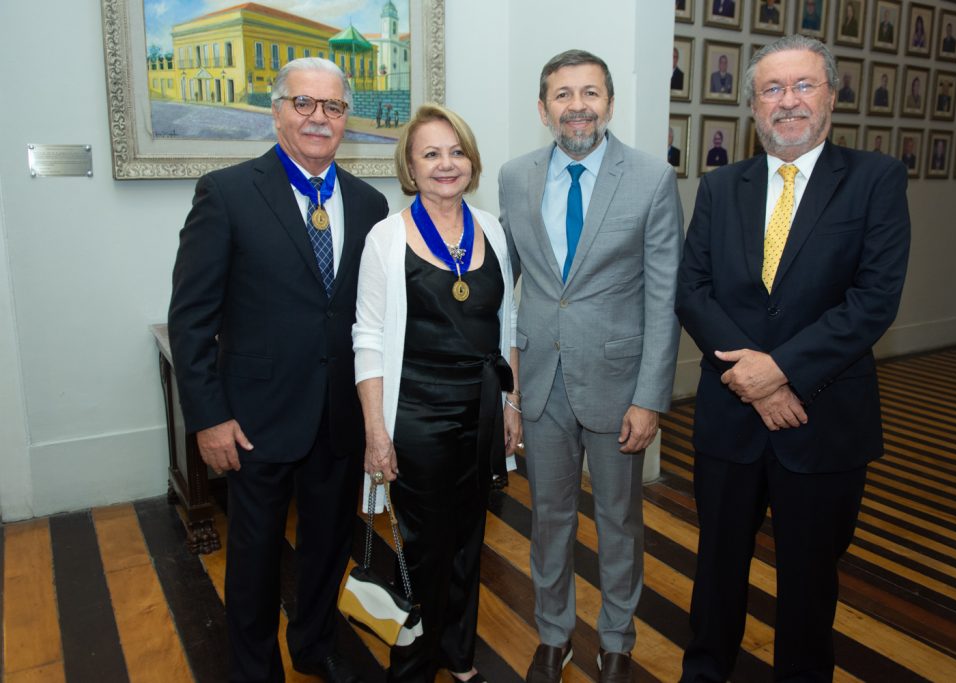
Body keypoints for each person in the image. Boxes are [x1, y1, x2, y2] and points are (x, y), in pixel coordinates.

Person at [676, 34, 911, 682]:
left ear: (831, 95)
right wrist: (754, 381)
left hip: (824, 420)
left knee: (809, 586)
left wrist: (779, 371)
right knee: (716, 571)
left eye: (803, 85)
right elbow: (692, 291)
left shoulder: (875, 180)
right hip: (729, 419)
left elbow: (873, 300)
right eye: (772, 89)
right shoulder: (721, 186)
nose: (788, 101)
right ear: (752, 106)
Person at [168, 57, 389, 683]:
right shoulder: (228, 192)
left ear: (346, 117)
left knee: (326, 550)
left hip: (339, 416)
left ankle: (314, 645)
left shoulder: (371, 203)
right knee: (255, 557)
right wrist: (208, 416)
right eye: (304, 104)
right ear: (277, 110)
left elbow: (371, 318)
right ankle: (253, 668)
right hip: (255, 418)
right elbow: (190, 317)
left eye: (333, 107)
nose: (319, 118)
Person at [498, 49, 683, 683]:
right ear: (543, 108)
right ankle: (554, 635)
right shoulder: (514, 176)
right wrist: (508, 393)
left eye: (590, 93)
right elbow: (502, 292)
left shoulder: (652, 178)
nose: (577, 105)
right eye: (563, 94)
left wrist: (651, 397)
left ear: (609, 102)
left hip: (618, 387)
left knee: (618, 523)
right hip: (541, 386)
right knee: (547, 520)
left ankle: (616, 641)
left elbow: (664, 296)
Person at [354, 104, 519, 683]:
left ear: (471, 161)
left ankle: (458, 651)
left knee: (471, 537)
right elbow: (368, 339)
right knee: (425, 545)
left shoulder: (493, 228)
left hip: (480, 412)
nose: (446, 164)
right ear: (410, 165)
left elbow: (508, 323)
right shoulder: (385, 237)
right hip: (415, 415)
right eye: (431, 153)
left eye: (456, 151)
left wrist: (511, 406)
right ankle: (415, 662)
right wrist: (377, 432)